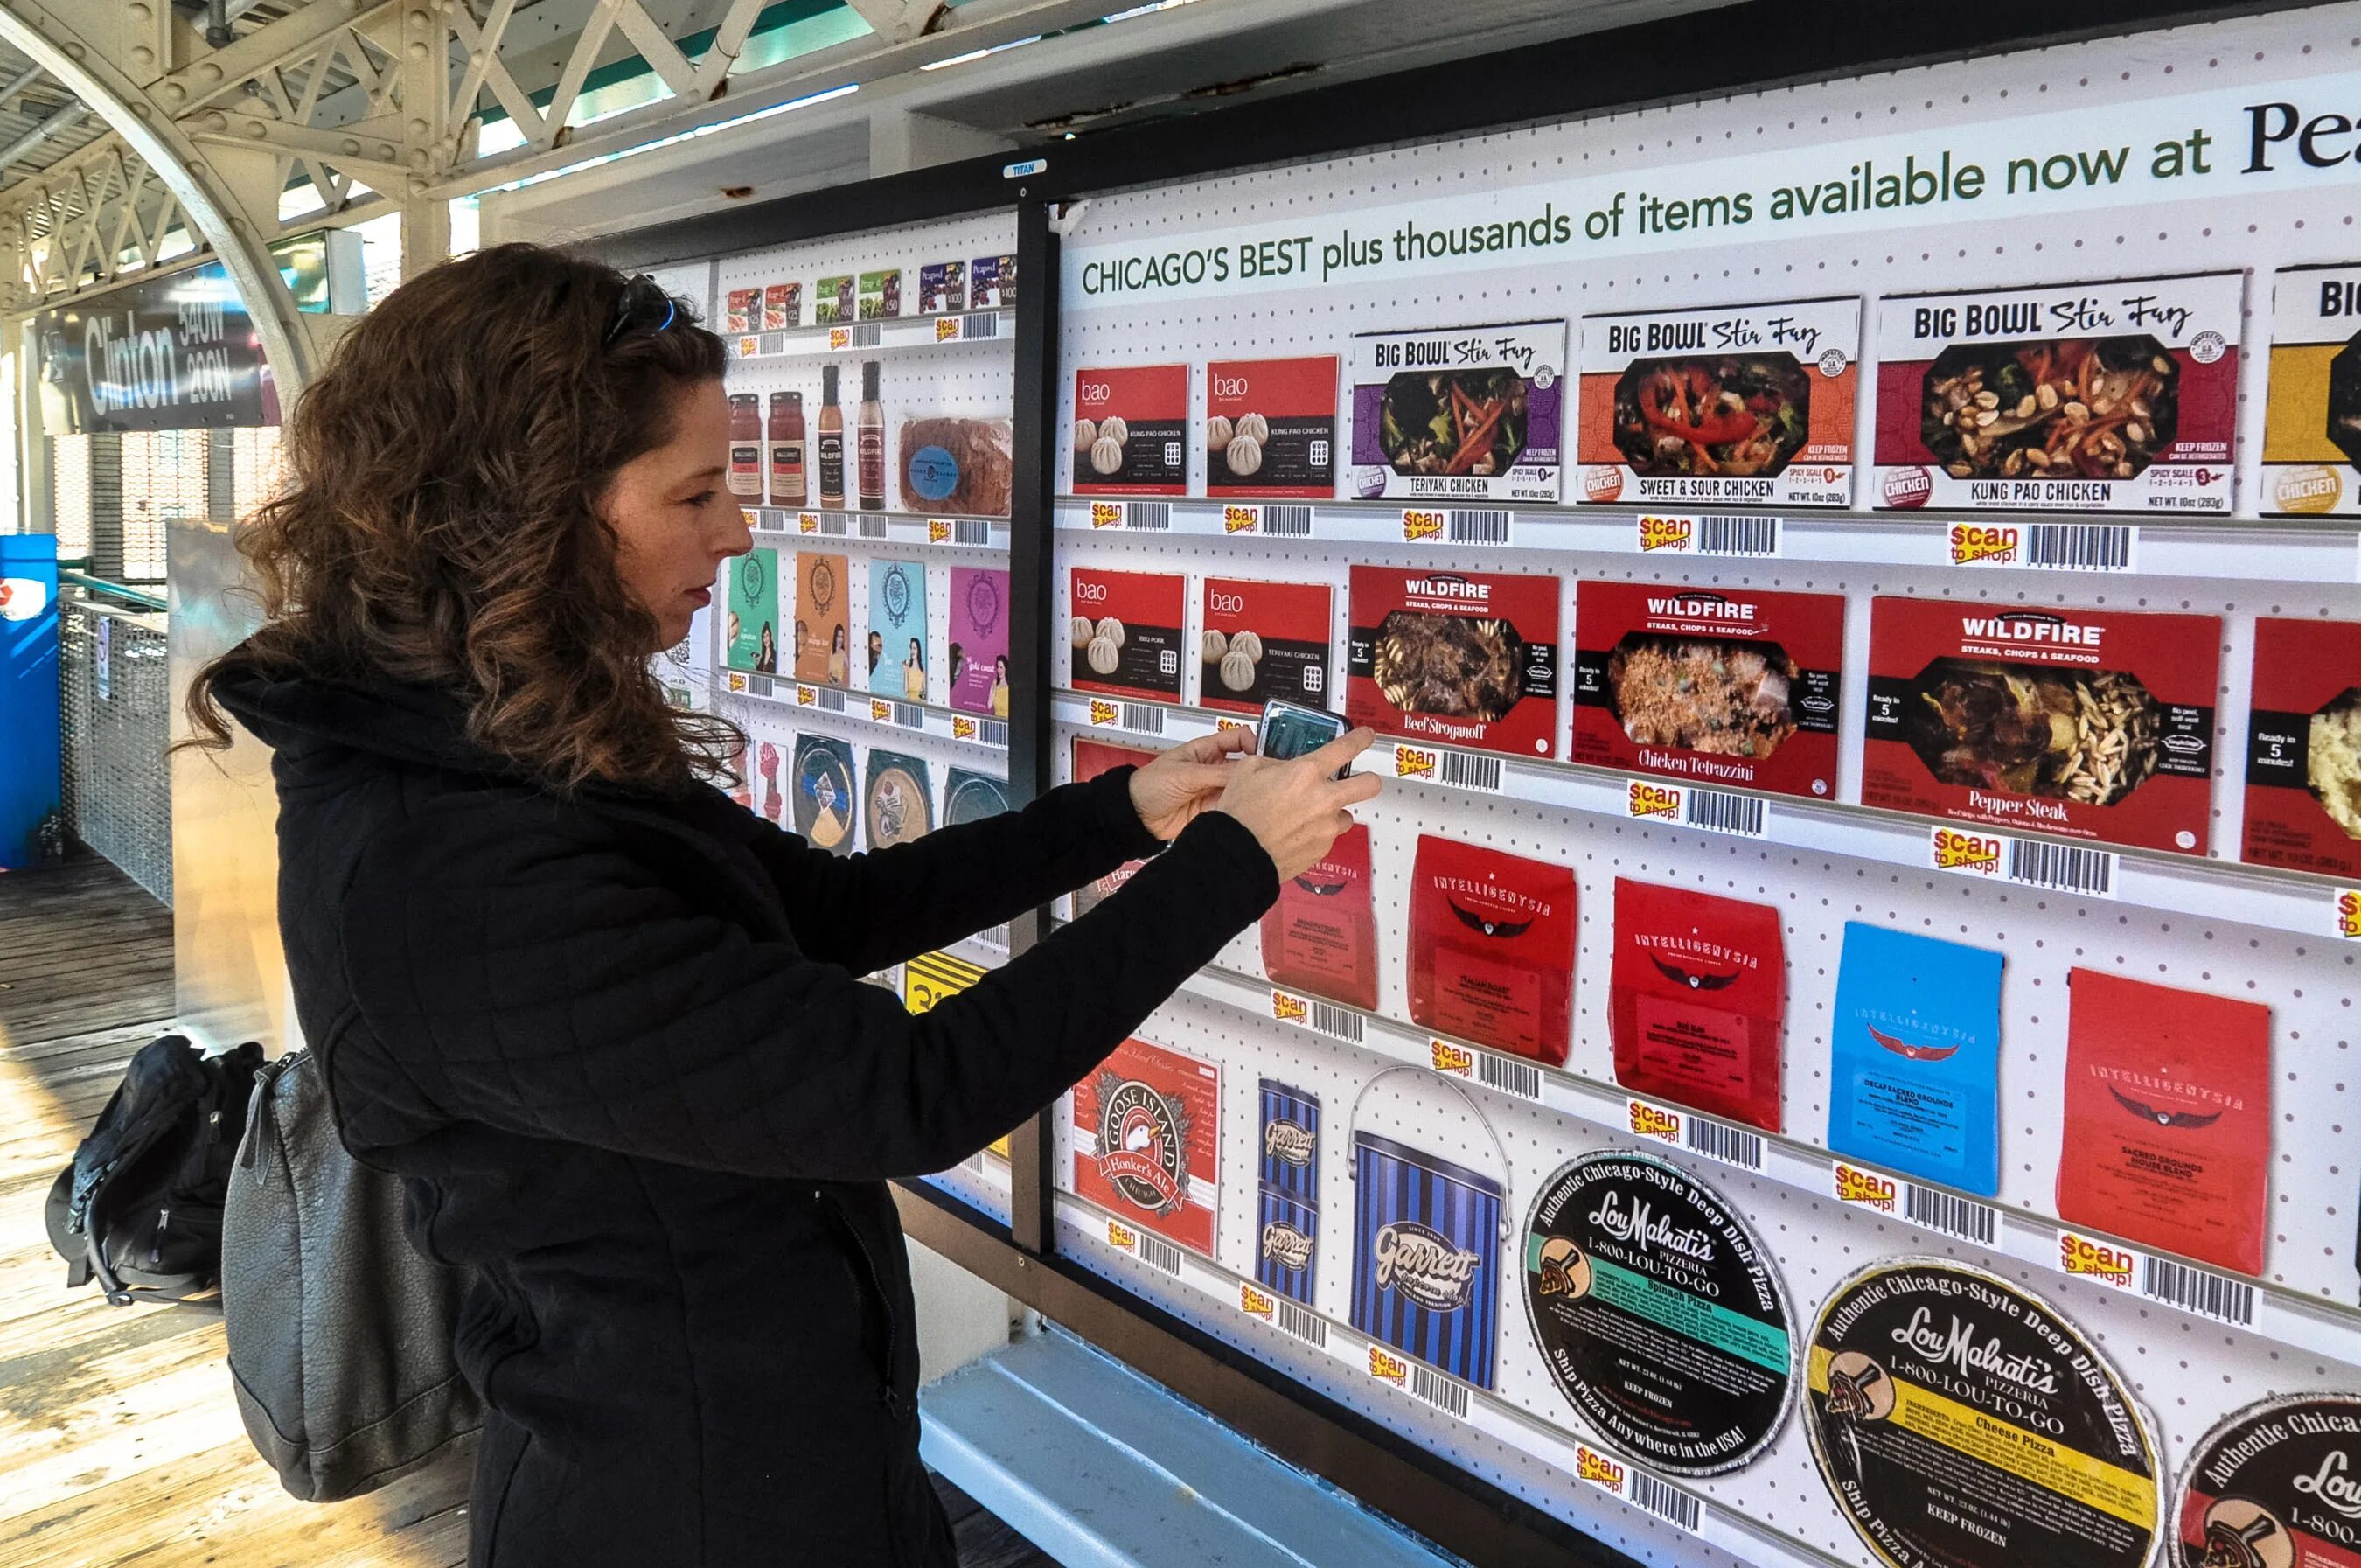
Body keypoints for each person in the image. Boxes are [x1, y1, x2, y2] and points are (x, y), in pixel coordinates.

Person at [181, 244, 1378, 1568]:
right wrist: (1234, 867)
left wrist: (1122, 815)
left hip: (794, 1458)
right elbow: (914, 1090)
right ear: (524, 515)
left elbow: (826, 905)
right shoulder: (446, 877)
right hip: (678, 1515)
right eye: (694, 493)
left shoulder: (494, 740)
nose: (740, 532)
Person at [989, 652, 1011, 718]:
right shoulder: (995, 683)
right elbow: (989, 705)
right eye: (998, 667)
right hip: (997, 720)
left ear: (1006, 669)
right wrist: (995, 688)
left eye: (1001, 667)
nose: (999, 670)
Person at [903, 636, 925, 702]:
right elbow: (906, 690)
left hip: (920, 703)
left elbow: (925, 692)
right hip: (910, 702)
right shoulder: (907, 667)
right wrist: (905, 671)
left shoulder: (923, 672)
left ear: (918, 650)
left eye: (914, 648)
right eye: (911, 648)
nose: (912, 651)